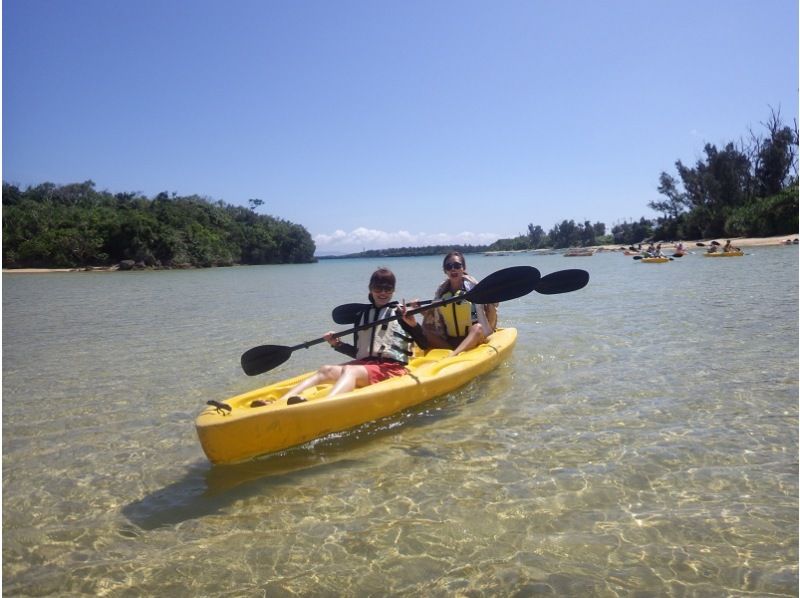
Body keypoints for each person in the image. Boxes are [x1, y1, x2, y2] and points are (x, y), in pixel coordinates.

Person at [253, 268, 427, 407]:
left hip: (391, 368)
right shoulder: (362, 315)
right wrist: (337, 344)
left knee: (350, 370)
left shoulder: (401, 314)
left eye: (387, 289)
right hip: (365, 365)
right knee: (325, 370)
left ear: (393, 291)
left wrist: (413, 325)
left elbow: (424, 344)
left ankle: (324, 406)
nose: (383, 293)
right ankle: (278, 403)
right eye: (378, 288)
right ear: (370, 289)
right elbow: (359, 353)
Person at [421, 251, 498, 357]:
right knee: (425, 331)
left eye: (457, 265)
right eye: (449, 266)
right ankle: (454, 352)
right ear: (445, 271)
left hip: (474, 338)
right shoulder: (441, 294)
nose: (453, 269)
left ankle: (453, 356)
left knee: (477, 328)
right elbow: (433, 318)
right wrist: (418, 309)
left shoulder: (474, 289)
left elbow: (491, 311)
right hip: (450, 343)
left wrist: (491, 299)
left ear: (463, 268)